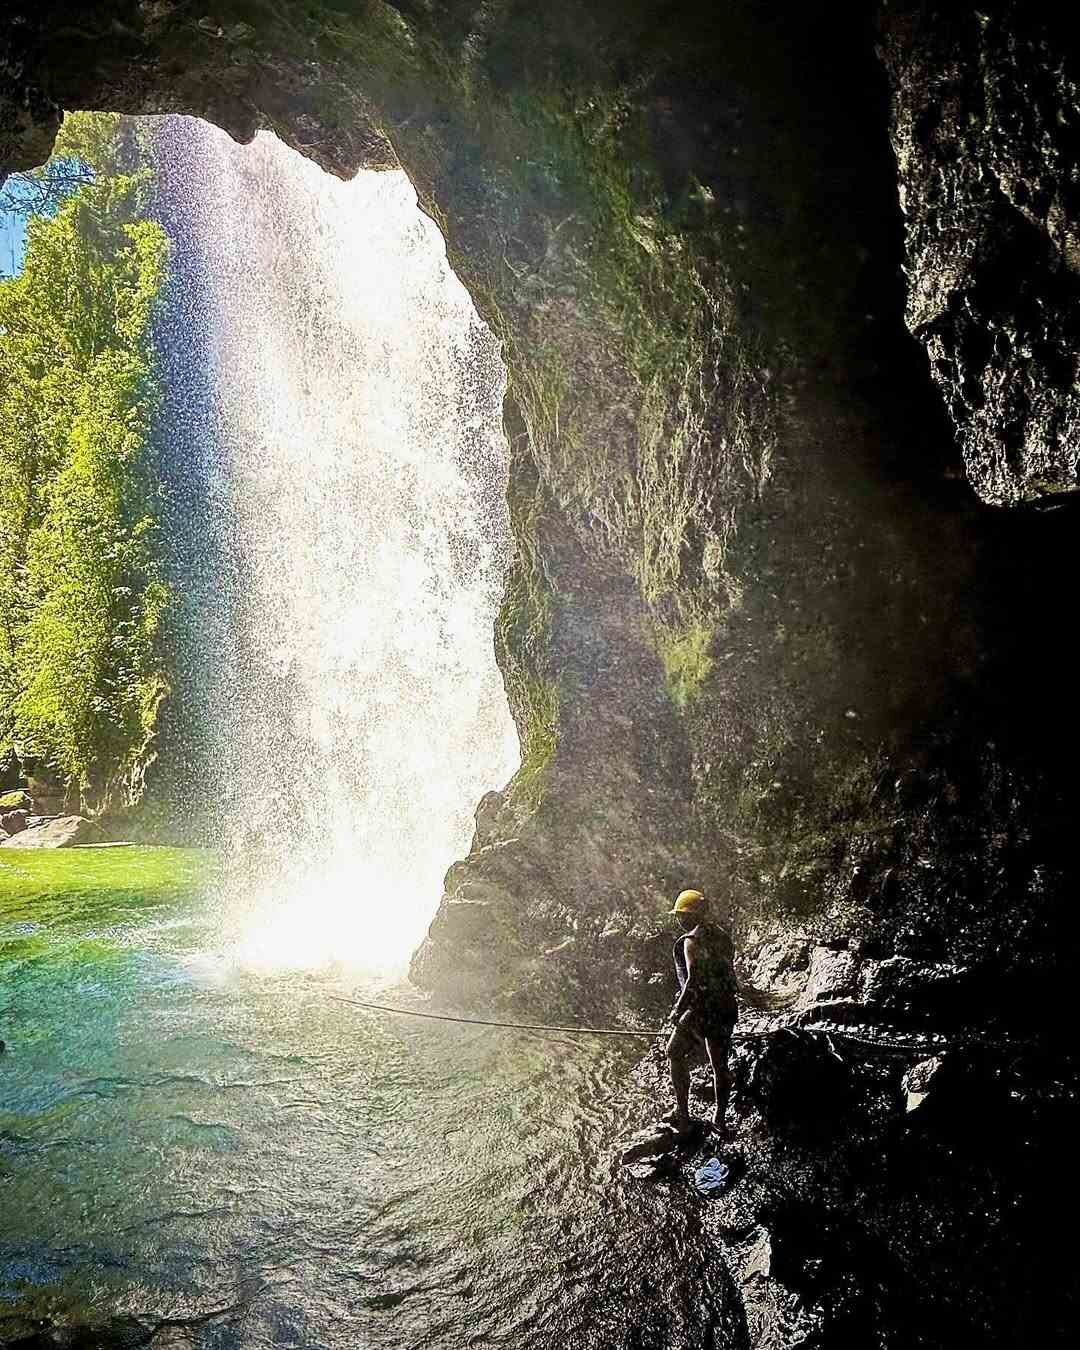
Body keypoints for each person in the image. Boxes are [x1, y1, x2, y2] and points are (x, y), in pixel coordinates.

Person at [664, 888, 737, 1135]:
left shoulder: (691, 942)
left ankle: (683, 1113)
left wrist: (677, 1010)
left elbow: (693, 980)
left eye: (680, 915)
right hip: (725, 1007)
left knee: (674, 1052)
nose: (678, 919)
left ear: (688, 916)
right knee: (719, 1065)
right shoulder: (722, 936)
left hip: (701, 1010)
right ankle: (719, 1119)